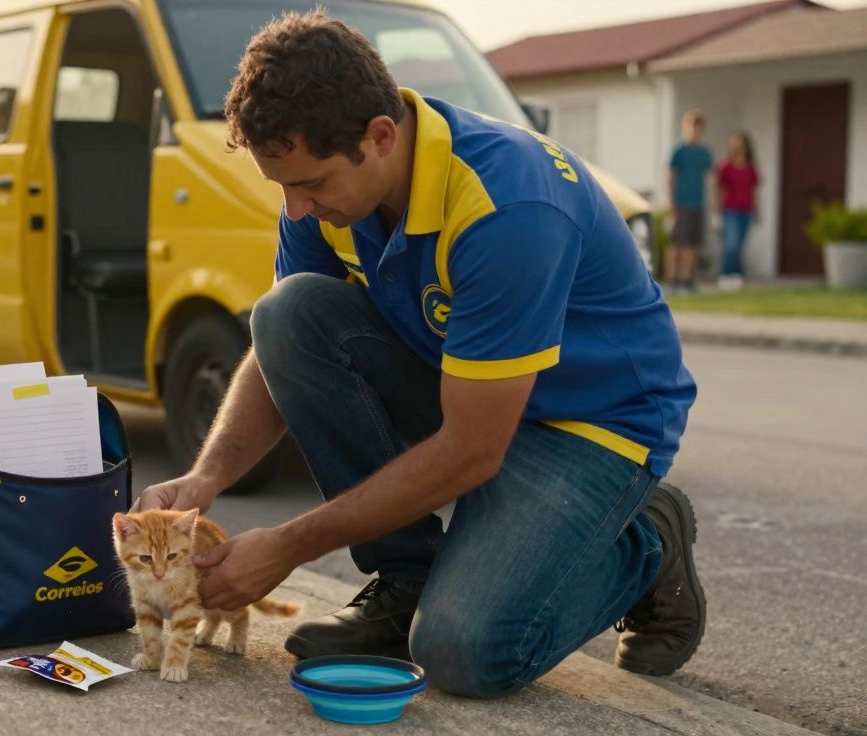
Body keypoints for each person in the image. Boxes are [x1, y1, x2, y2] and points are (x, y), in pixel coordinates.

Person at [133, 10, 703, 698]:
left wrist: (287, 544)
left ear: (378, 137)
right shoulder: (331, 194)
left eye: (309, 184)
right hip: (470, 391)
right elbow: (281, 348)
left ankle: (647, 544)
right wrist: (205, 479)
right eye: (281, 186)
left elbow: (472, 451)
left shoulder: (505, 208)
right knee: (286, 312)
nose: (297, 209)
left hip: (590, 427)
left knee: (466, 653)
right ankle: (406, 579)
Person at [665, 111, 713, 293]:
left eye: (698, 127)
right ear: (685, 128)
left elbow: (710, 178)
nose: (694, 131)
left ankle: (686, 280)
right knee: (677, 243)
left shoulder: (704, 152)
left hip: (697, 203)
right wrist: (671, 202)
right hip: (680, 203)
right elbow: (670, 176)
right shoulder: (679, 150)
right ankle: (672, 280)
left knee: (692, 244)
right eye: (691, 127)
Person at [715, 133, 760, 291]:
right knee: (730, 244)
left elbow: (754, 191)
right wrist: (717, 212)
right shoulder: (726, 166)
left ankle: (736, 275)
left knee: (740, 245)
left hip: (746, 210)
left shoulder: (750, 167)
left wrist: (757, 211)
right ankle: (725, 274)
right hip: (730, 210)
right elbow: (720, 189)